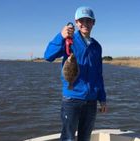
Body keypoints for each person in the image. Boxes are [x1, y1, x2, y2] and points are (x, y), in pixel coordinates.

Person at [44, 6, 107, 141]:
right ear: (76, 22)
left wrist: (102, 99)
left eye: (88, 21)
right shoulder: (68, 40)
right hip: (71, 99)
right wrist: (60, 36)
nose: (85, 24)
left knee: (85, 137)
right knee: (68, 137)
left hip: (91, 101)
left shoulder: (97, 46)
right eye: (82, 20)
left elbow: (98, 75)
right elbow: (48, 56)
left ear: (93, 23)